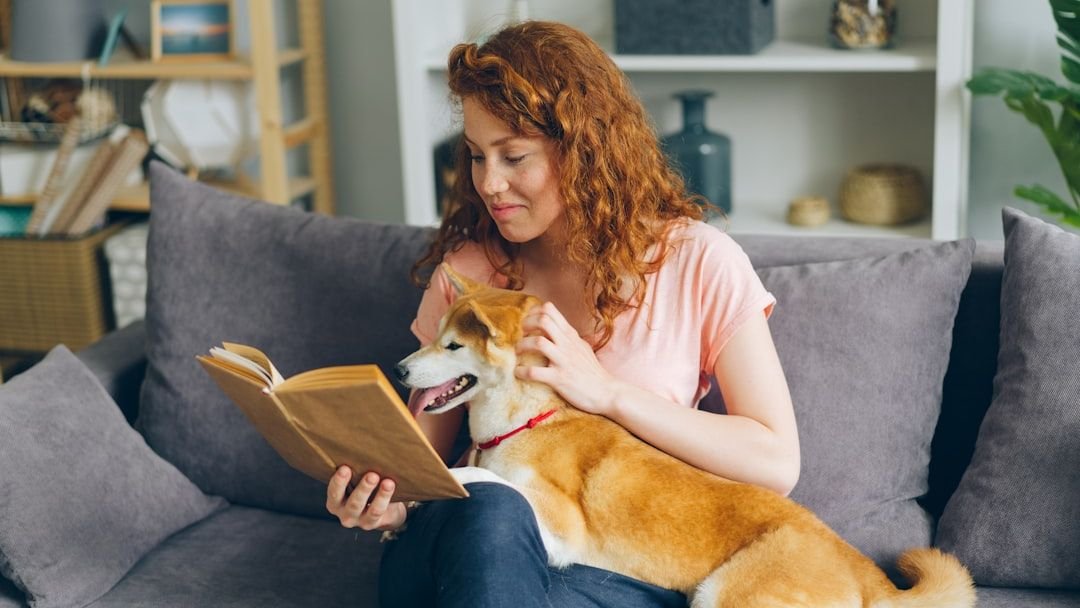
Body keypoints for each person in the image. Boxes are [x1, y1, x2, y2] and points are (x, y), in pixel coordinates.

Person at [326, 20, 799, 608]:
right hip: (465, 547)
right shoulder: (468, 276)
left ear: (584, 150)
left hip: (615, 567)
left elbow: (774, 460)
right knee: (496, 505)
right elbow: (420, 467)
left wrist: (607, 392)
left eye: (513, 156)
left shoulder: (699, 261)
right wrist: (383, 504)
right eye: (475, 156)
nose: (489, 183)